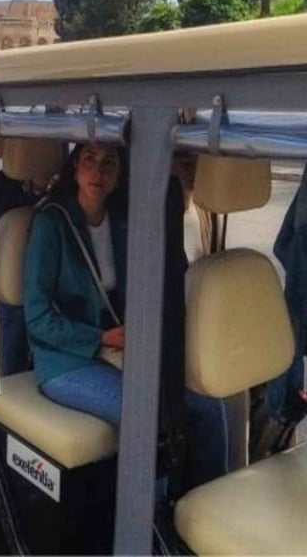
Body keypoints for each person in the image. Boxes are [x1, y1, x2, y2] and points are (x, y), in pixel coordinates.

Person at [23, 142, 229, 490]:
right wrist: (102, 338)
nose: (98, 171)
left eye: (109, 163)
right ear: (75, 168)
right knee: (148, 413)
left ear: (119, 175)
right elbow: (37, 317)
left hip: (118, 347)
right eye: (88, 160)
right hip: (65, 359)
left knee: (207, 403)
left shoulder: (121, 222)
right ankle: (154, 523)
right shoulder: (51, 224)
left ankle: (212, 502)